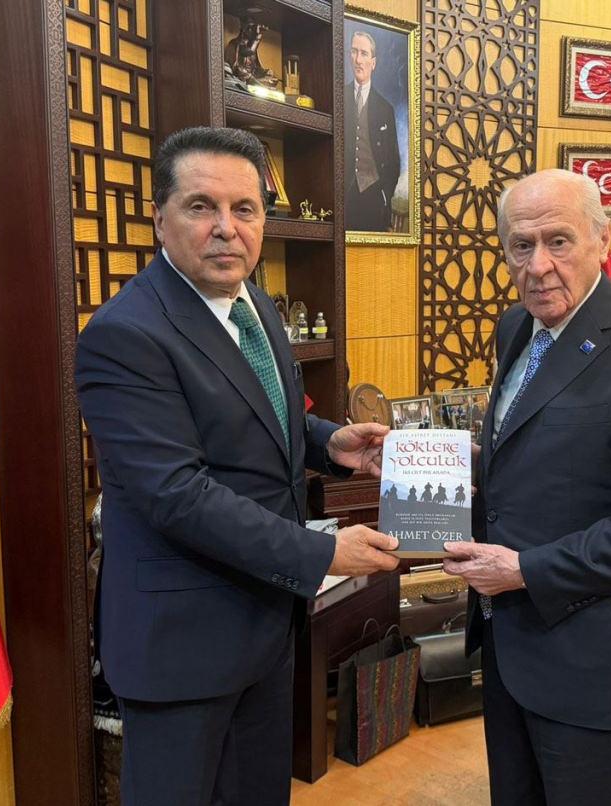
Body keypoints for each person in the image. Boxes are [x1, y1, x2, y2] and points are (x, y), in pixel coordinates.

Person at [75, 127, 401, 806]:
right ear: (159, 216)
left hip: (263, 627)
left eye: (245, 209)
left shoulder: (254, 305)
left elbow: (258, 415)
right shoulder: (125, 335)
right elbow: (177, 494)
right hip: (181, 647)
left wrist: (328, 443)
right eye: (202, 207)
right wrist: (322, 553)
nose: (227, 228)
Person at [442, 169, 611, 806]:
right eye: (521, 245)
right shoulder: (517, 326)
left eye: (557, 241)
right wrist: (438, 464)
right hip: (508, 640)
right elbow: (535, 455)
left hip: (588, 655)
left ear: (602, 240)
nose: (537, 266)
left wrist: (525, 570)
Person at [344, 30, 401, 232]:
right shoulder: (338, 98)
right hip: (344, 197)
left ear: (373, 63)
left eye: (364, 53)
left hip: (374, 198)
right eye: (354, 52)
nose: (358, 60)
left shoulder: (385, 109)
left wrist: (385, 195)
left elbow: (393, 161)